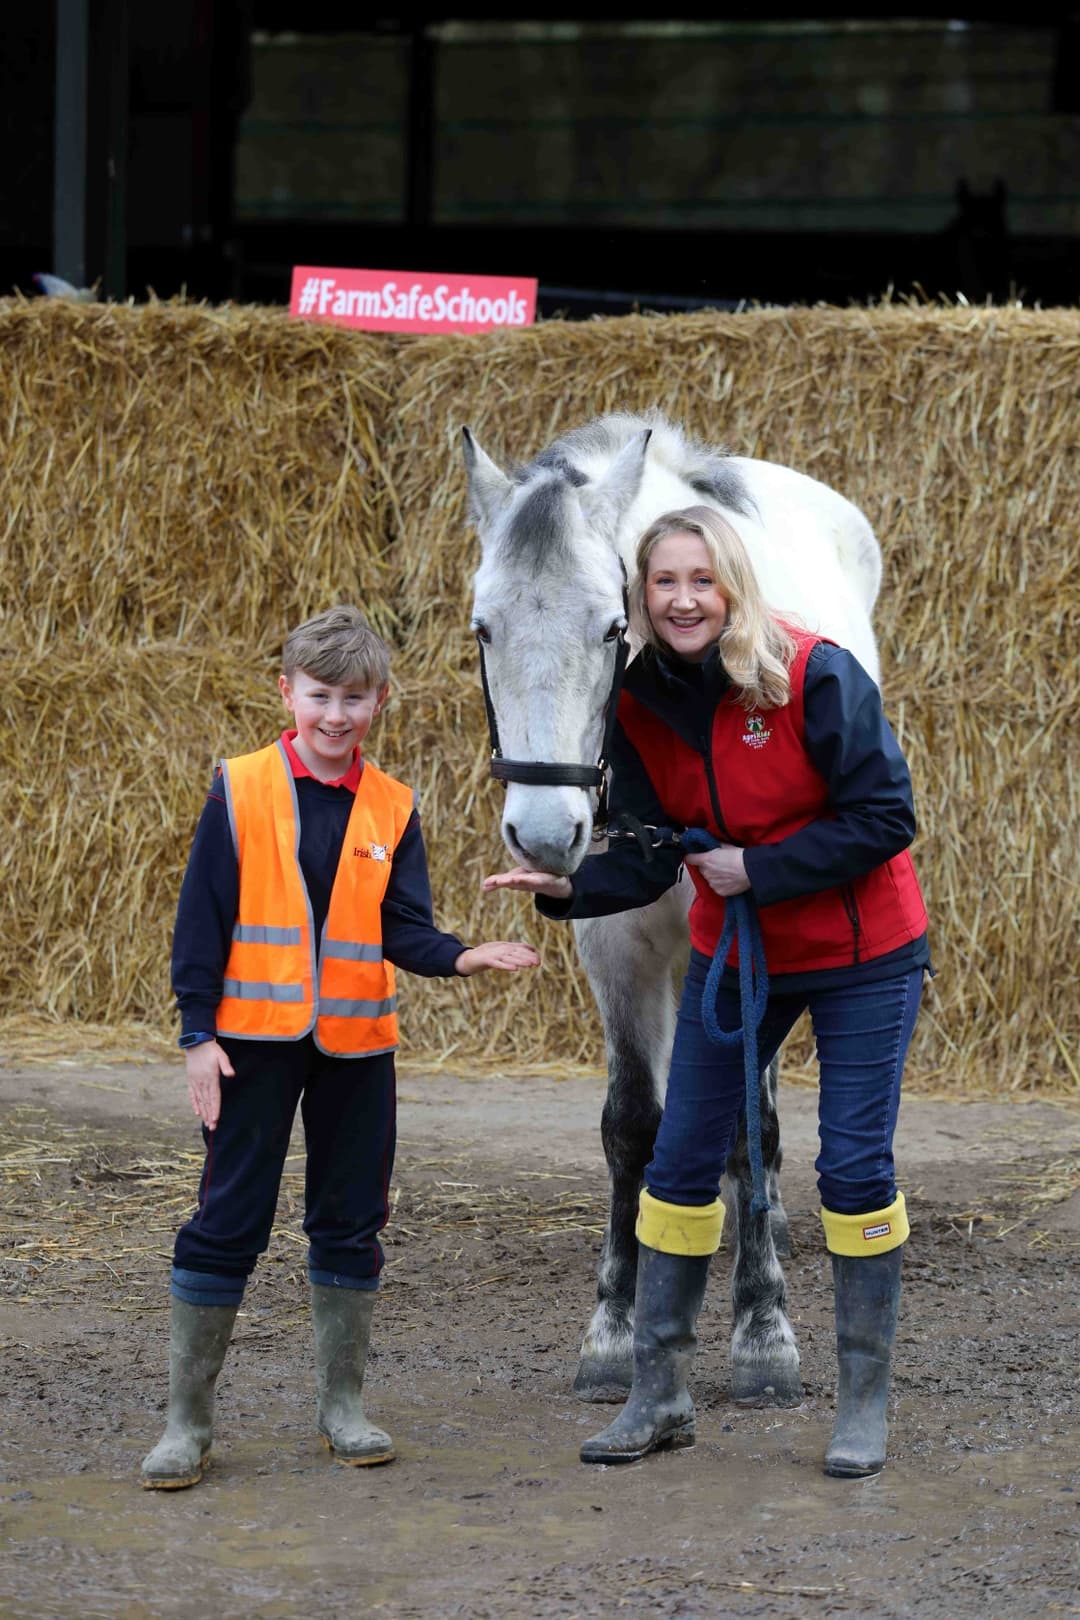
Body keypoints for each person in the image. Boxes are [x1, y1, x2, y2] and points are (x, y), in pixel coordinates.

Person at [484, 506, 930, 1478]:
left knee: (853, 1172)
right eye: (664, 583)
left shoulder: (813, 673)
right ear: (641, 600)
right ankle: (661, 1393)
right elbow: (646, 852)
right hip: (737, 950)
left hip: (861, 952)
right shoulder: (636, 702)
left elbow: (888, 817)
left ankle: (862, 1402)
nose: (684, 599)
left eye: (702, 580)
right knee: (680, 1164)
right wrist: (571, 890)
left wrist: (752, 869)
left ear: (733, 586)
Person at [141, 605, 539, 1490]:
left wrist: (462, 954)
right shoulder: (239, 786)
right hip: (252, 1044)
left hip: (359, 1048)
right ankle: (187, 1425)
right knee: (229, 1218)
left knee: (352, 1219)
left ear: (380, 702)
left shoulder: (393, 805)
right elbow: (200, 922)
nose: (334, 715)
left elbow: (403, 927)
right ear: (287, 693)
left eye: (353, 698)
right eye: (319, 695)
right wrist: (197, 1036)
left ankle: (343, 1409)